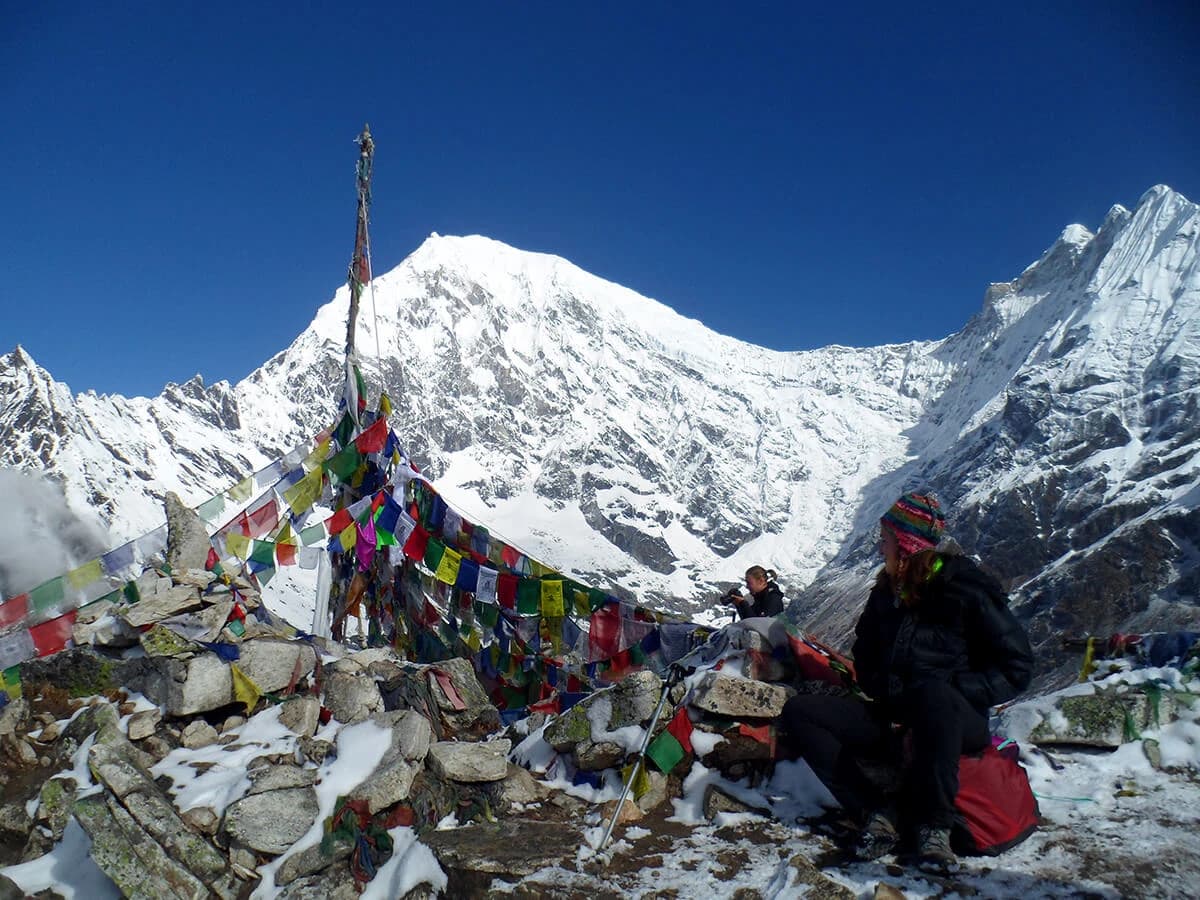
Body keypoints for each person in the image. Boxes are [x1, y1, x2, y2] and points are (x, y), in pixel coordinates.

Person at [779, 492, 1033, 869]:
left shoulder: (966, 590)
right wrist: (881, 687)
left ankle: (935, 829)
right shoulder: (886, 592)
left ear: (906, 545)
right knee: (802, 712)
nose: (880, 546)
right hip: (897, 714)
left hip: (956, 719)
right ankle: (876, 813)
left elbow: (1017, 668)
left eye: (886, 539)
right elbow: (864, 651)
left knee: (933, 696)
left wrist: (953, 692)